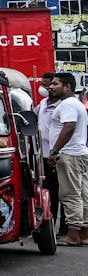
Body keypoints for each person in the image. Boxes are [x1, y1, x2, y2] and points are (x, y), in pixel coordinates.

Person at [46, 73, 88, 246]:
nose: (50, 87)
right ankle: (84, 234)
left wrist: (55, 150)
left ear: (67, 87)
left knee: (70, 195)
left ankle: (73, 235)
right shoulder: (75, 103)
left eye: (55, 84)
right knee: (82, 195)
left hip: (69, 154)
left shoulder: (68, 104)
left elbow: (69, 126)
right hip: (79, 154)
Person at [36, 72, 63, 234]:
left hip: (57, 156)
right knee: (45, 192)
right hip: (42, 156)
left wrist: (56, 151)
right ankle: (46, 226)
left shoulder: (63, 106)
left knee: (59, 193)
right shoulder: (42, 104)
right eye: (45, 85)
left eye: (50, 85)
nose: (47, 88)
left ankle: (62, 229)